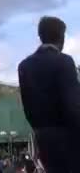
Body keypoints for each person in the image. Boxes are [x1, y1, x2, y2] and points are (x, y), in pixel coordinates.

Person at [18, 16, 80, 173]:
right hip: (68, 139)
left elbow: (27, 108)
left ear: (40, 36)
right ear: (61, 37)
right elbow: (73, 106)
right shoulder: (64, 62)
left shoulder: (24, 66)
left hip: (43, 139)